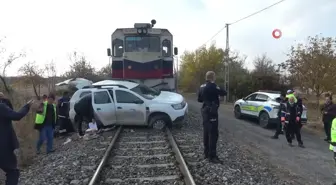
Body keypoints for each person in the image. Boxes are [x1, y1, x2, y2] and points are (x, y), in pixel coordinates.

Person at [0, 98, 33, 185]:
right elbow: (17, 116)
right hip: (3, 148)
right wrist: (27, 106)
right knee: (12, 172)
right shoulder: (1, 107)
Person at [197, 71, 227, 163]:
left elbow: (199, 99)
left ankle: (206, 153)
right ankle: (212, 156)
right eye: (215, 76)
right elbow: (224, 92)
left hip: (204, 111)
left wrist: (208, 99)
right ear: (213, 77)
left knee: (206, 132)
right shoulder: (213, 86)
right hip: (211, 113)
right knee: (213, 134)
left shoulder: (202, 86)